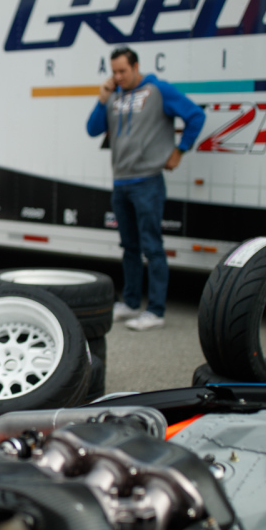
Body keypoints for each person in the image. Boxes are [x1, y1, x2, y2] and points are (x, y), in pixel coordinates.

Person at [87, 47, 205, 331]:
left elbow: (195, 116)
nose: (117, 76)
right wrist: (102, 98)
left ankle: (155, 311)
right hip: (121, 182)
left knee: (152, 247)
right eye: (113, 71)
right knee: (129, 247)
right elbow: (92, 129)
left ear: (136, 66)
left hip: (148, 182)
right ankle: (129, 303)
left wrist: (180, 151)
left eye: (122, 71)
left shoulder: (157, 90)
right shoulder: (113, 95)